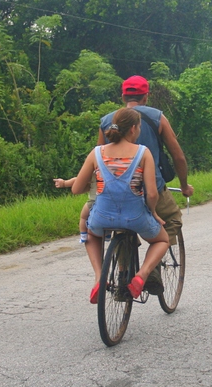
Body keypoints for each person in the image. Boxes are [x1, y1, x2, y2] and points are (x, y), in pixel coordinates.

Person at [98, 75, 194, 293]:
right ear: (146, 96)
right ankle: (151, 270)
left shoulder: (108, 121)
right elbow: (177, 156)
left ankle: (123, 274)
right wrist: (185, 185)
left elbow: (99, 159)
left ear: (123, 96)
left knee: (120, 227)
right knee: (171, 220)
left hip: (116, 191)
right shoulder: (156, 117)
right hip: (152, 189)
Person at [71, 107, 169, 303]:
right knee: (162, 240)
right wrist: (153, 213)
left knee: (91, 234)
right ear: (133, 129)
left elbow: (76, 189)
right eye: (139, 127)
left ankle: (99, 278)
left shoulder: (97, 153)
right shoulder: (143, 153)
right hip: (136, 217)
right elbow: (151, 193)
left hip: (102, 217)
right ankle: (141, 276)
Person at [53, 175, 94, 244]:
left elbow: (78, 180)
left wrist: (64, 183)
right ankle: (108, 234)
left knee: (83, 217)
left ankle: (83, 235)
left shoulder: (96, 170)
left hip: (94, 202)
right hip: (114, 204)